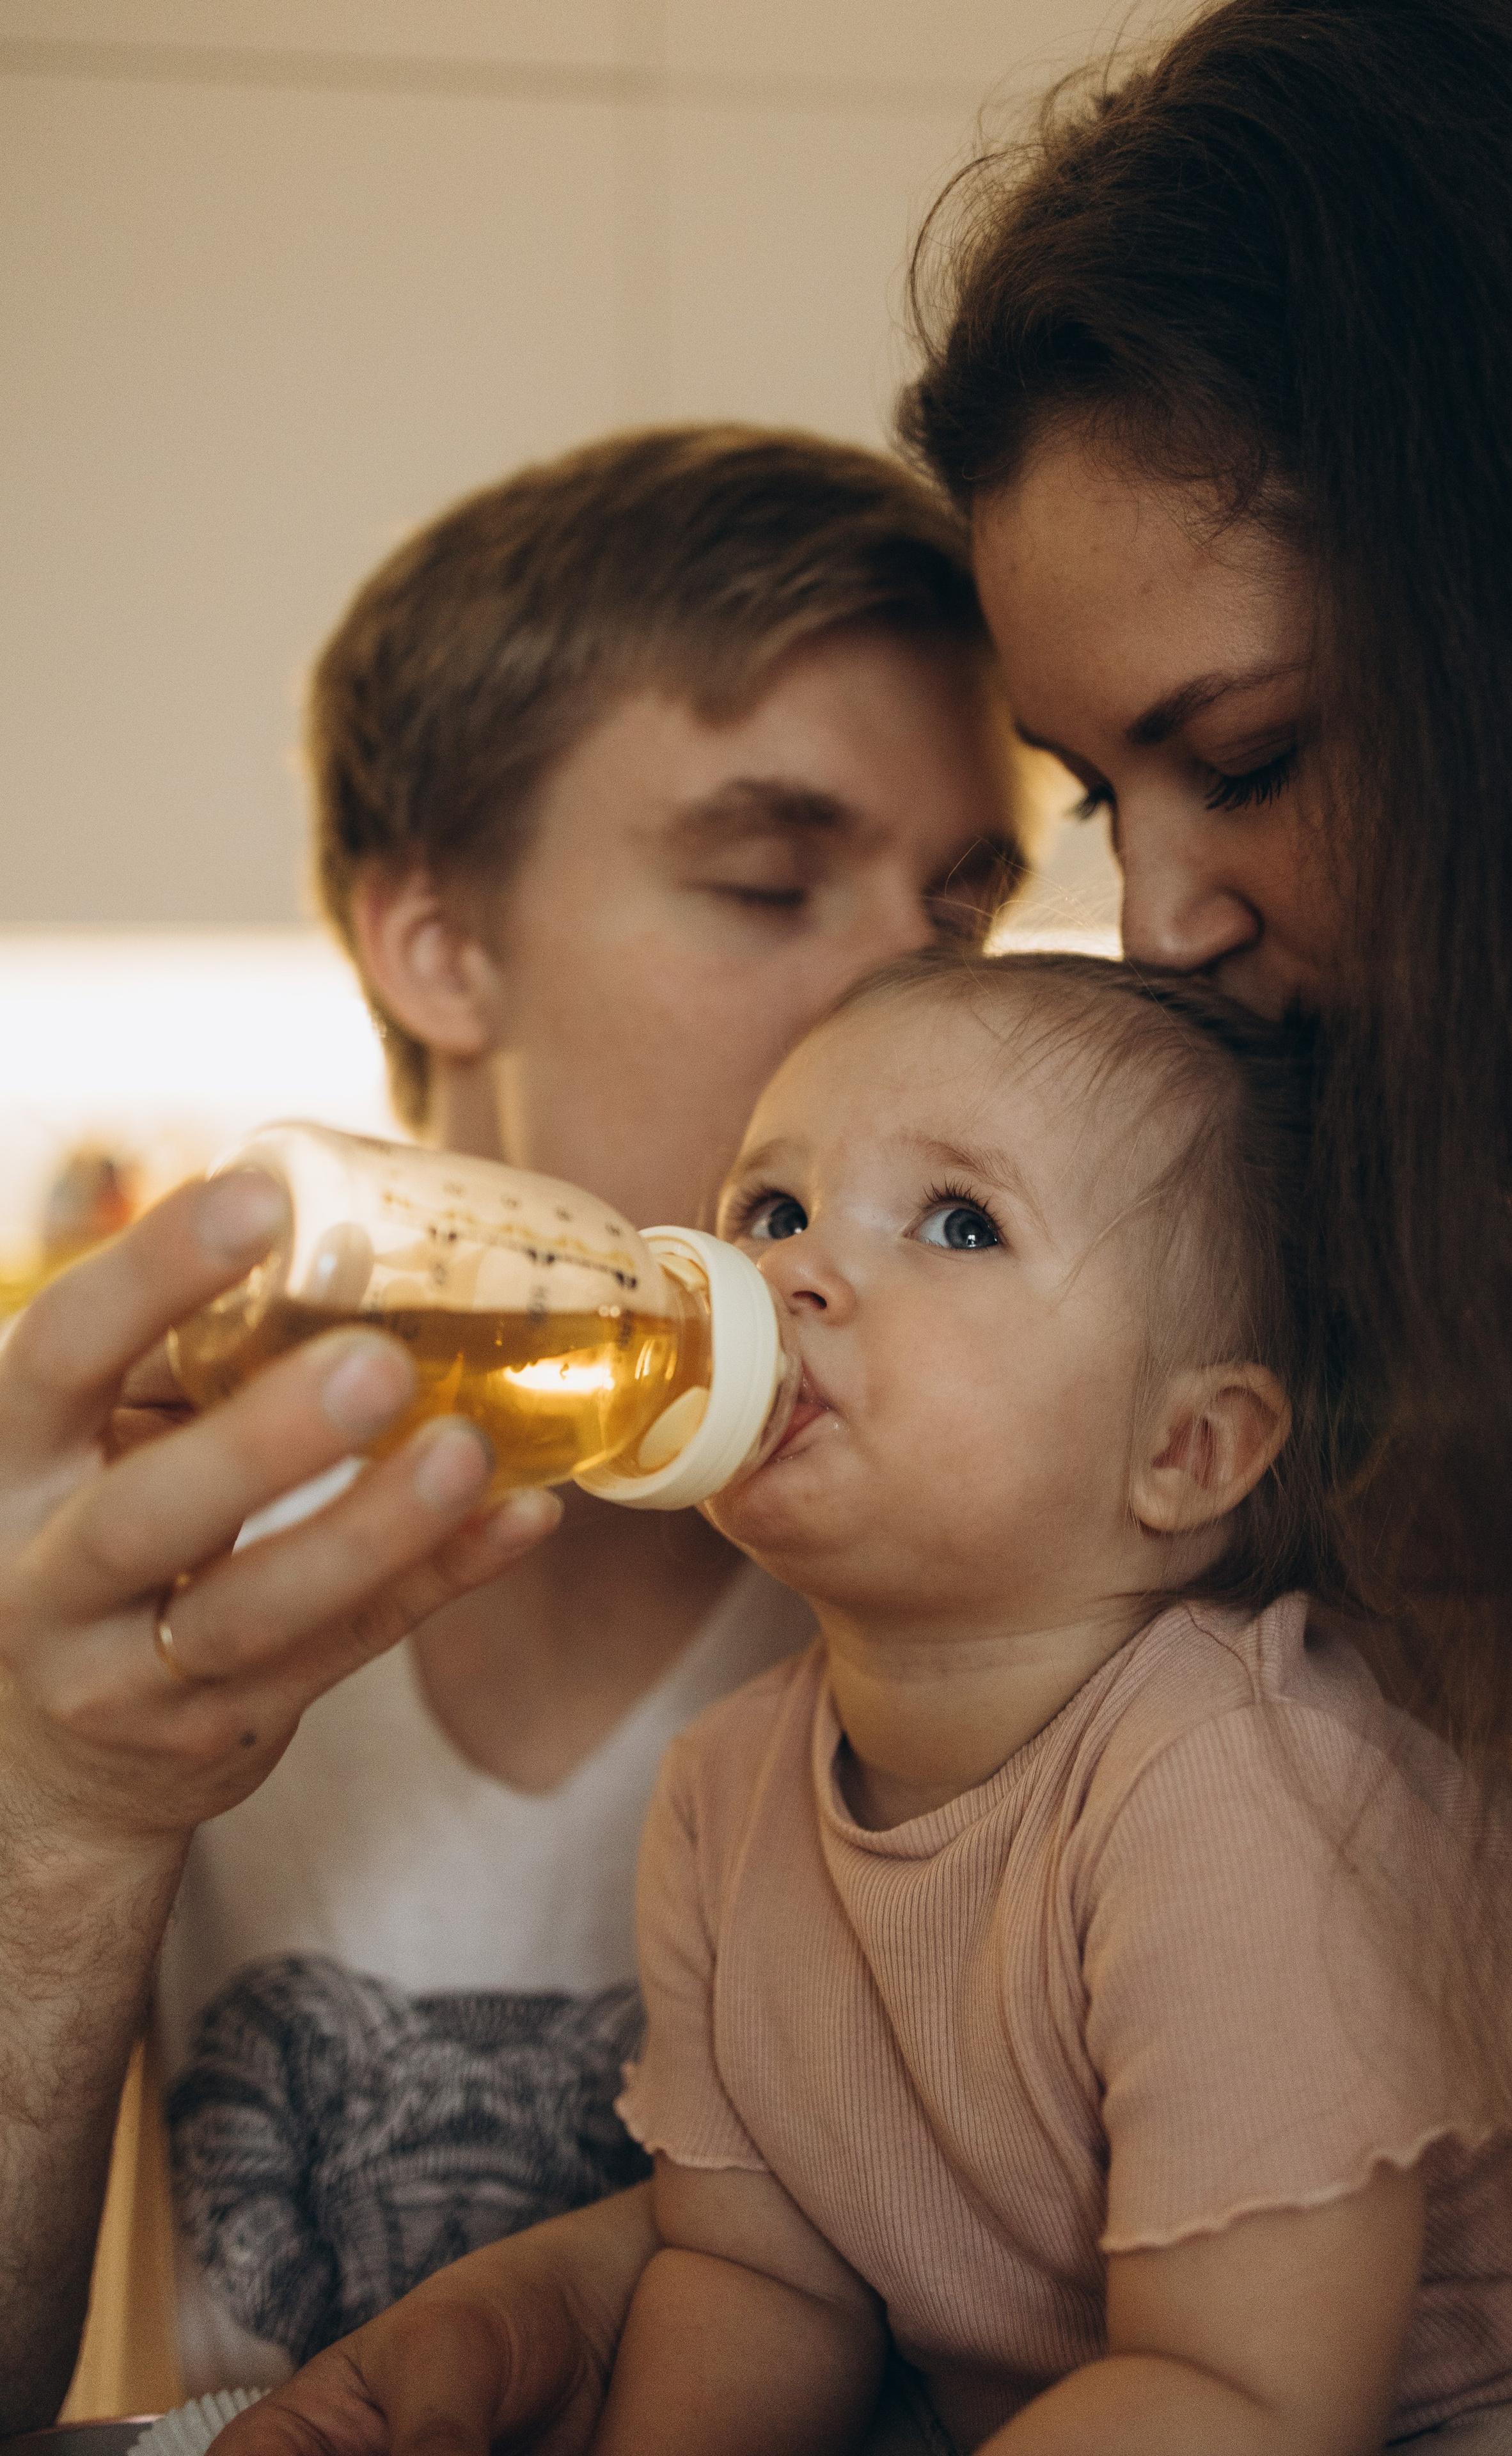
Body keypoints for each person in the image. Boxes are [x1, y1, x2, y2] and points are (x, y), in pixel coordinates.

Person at [214, 1, 1512, 2449]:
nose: (1158, 927)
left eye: (1255, 755)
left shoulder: (1231, 1756)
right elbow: (786, 2252)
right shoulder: (761, 1771)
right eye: (1108, 802)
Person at [0, 423, 1023, 2424]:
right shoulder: (124, 1563)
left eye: (961, 913)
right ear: (434, 945)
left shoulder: (1022, 1590)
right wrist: (67, 1828)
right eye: (766, 881)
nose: (911, 1001)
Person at [604, 947, 1512, 2454]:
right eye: (771, 1207)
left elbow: (1247, 2395)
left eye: (959, 1223)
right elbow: (755, 2277)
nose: (792, 1270)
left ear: (1191, 1451)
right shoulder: (721, 1789)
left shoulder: (1234, 1782)